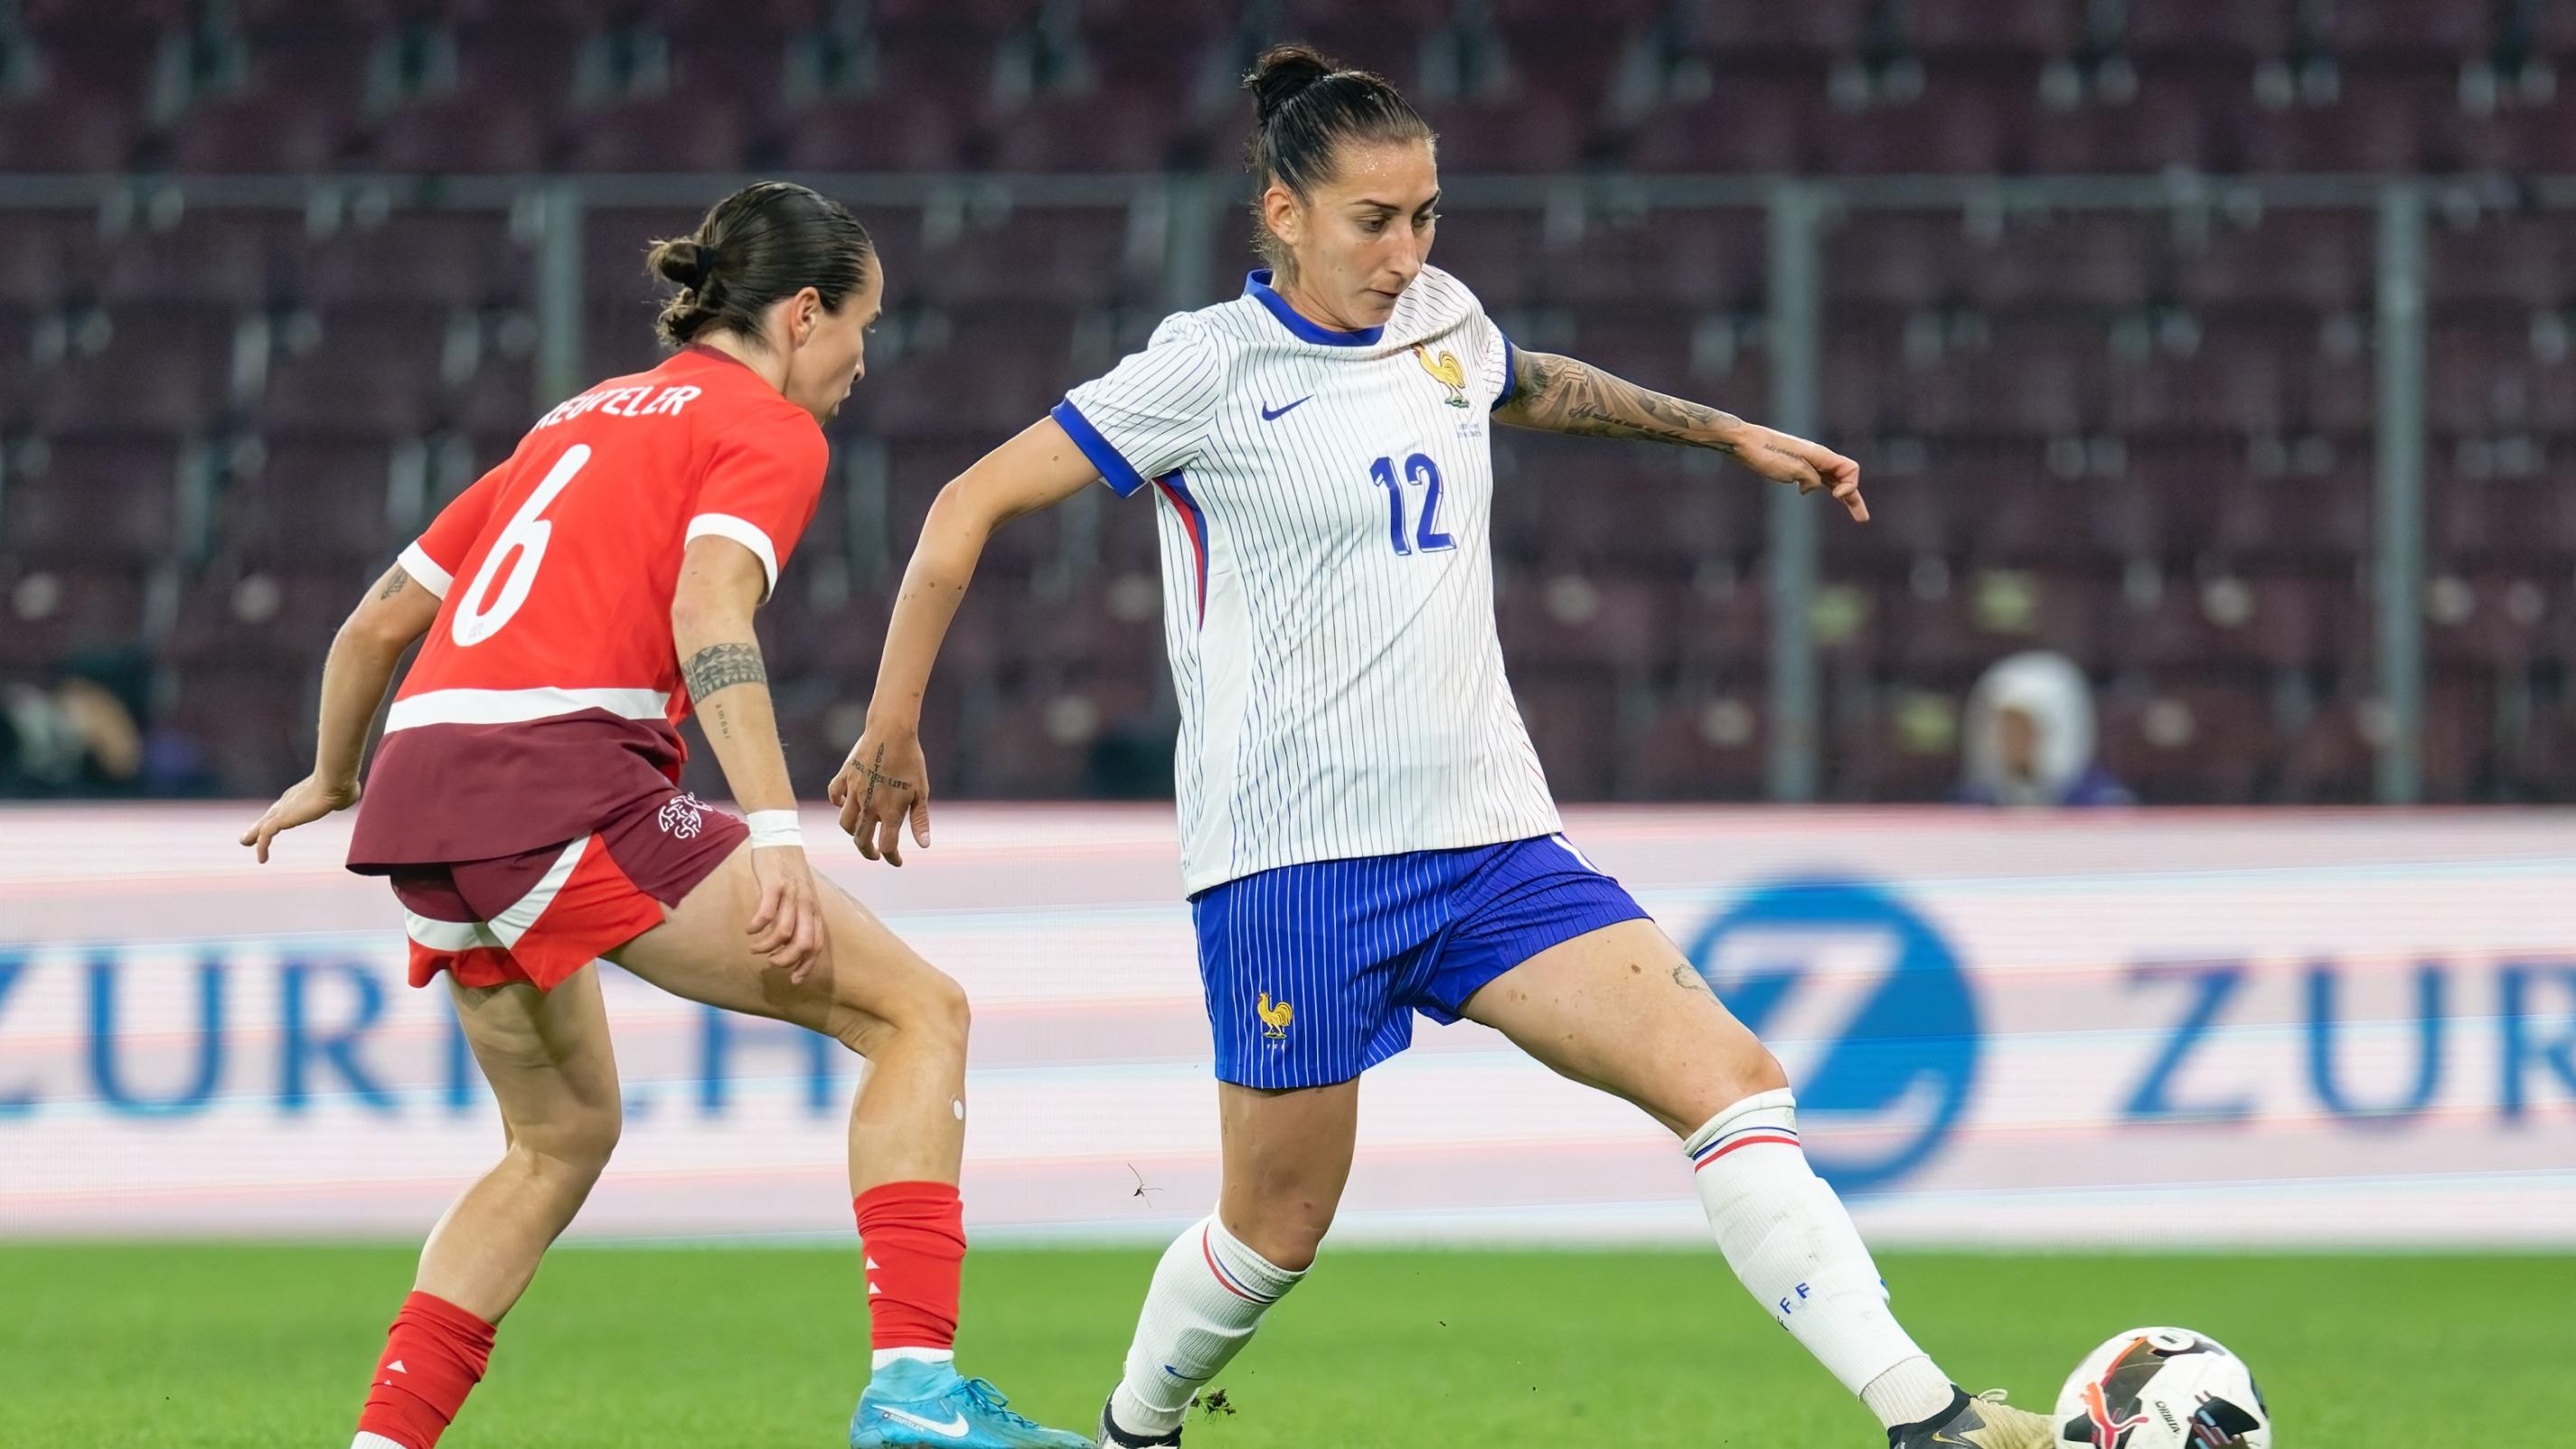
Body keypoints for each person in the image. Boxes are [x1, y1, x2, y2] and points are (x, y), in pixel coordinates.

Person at [832, 45, 2054, 1449]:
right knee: (1273, 1229)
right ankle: (1136, 1425)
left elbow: (1525, 380)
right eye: (1373, 220)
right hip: (1293, 864)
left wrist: (1726, 434)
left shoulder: (1442, 318)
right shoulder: (1206, 370)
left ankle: (1928, 1414)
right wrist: (890, 723)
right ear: (1283, 213)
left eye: (1425, 217)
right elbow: (962, 505)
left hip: (1487, 839)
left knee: (1732, 1079)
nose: (1406, 250)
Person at [239, 182, 1091, 1449]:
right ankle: (915, 1392)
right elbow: (710, 615)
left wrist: (334, 770)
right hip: (558, 782)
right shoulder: (763, 427)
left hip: (424, 798)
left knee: (557, 1134)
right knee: (919, 1011)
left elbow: (377, 619)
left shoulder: (567, 421)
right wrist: (780, 838)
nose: (863, 360)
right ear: (803, 314)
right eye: (863, 324)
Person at [1959, 650, 2135, 807]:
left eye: (2023, 729)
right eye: (2004, 729)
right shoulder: (1972, 804)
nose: (2011, 740)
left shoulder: (2103, 806)